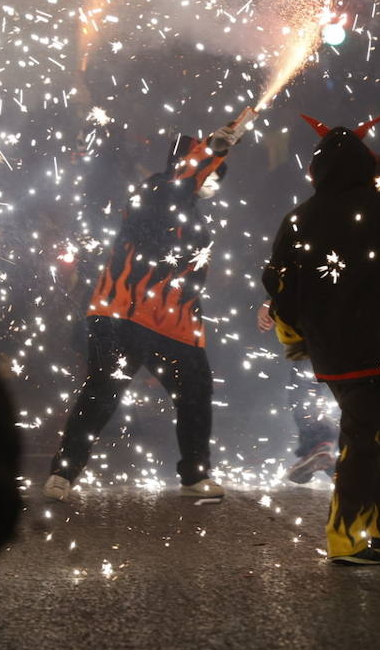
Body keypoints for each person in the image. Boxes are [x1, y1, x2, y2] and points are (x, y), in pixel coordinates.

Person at [262, 93, 380, 565]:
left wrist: (292, 337)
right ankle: (345, 535)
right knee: (366, 438)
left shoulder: (297, 219)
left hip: (331, 354)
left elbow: (279, 283)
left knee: (375, 433)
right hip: (378, 349)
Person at [44, 122, 241, 501]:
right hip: (123, 314)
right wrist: (212, 150)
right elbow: (177, 188)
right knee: (102, 392)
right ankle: (64, 473)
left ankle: (195, 475)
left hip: (175, 324)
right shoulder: (155, 190)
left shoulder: (195, 215)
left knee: (196, 392)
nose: (215, 181)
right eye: (211, 172)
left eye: (218, 174)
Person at [257, 298, 339, 483]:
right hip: (356, 318)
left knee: (305, 386)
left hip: (321, 318)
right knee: (354, 396)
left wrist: (272, 302)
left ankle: (322, 446)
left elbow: (297, 272)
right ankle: (351, 460)